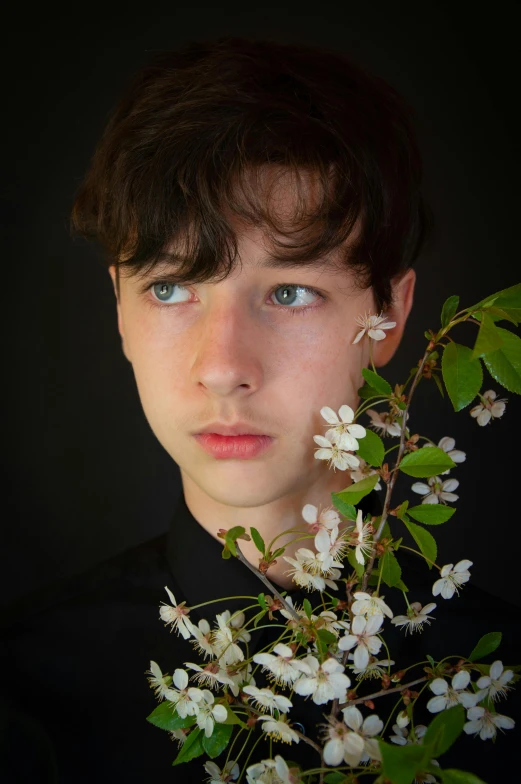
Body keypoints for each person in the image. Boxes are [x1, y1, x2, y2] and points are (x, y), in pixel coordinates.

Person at [1, 36, 518, 783]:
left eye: (288, 292)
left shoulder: (497, 679)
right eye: (171, 288)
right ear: (118, 307)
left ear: (389, 317)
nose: (222, 369)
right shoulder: (20, 700)